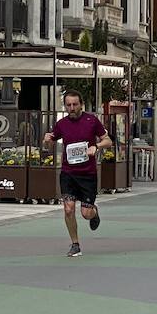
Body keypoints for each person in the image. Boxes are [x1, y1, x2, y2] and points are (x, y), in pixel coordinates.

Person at [42, 91, 111, 258]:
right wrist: (46, 140)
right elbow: (49, 145)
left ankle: (94, 212)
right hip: (68, 173)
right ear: (65, 106)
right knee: (68, 209)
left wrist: (97, 146)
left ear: (81, 104)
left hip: (87, 174)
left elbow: (108, 140)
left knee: (86, 214)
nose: (71, 108)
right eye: (68, 105)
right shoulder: (61, 124)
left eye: (75, 104)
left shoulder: (91, 120)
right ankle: (75, 244)